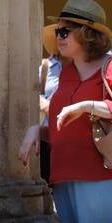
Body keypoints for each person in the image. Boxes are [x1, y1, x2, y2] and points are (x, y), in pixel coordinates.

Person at [19, 0, 112, 223]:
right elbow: (70, 126)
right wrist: (39, 130)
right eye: (57, 31)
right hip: (63, 176)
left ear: (87, 34)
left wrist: (88, 106)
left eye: (65, 31)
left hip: (103, 177)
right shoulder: (68, 73)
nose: (59, 37)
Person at [38, 24, 64, 181]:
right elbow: (29, 91)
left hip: (70, 134)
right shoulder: (45, 66)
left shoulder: (80, 67)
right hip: (47, 132)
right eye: (60, 34)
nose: (62, 38)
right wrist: (43, 103)